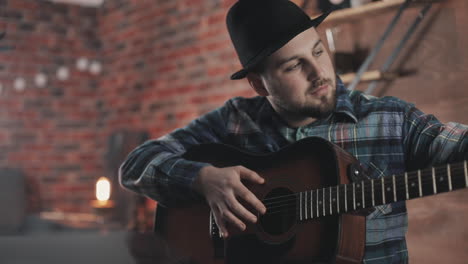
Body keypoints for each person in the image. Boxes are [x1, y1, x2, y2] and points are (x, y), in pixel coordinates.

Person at [119, 0, 468, 263]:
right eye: (294, 65)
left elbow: (456, 144)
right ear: (259, 83)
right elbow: (136, 165)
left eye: (318, 52)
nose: (318, 72)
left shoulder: (391, 119)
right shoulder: (235, 122)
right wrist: (204, 179)